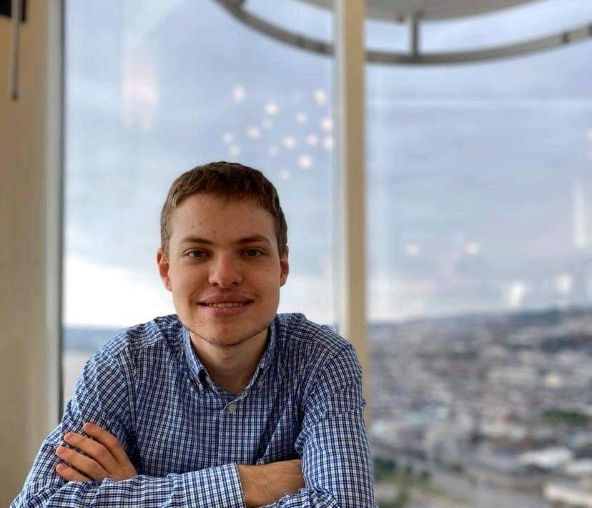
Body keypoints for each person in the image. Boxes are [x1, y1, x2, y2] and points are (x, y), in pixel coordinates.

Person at [12, 161, 376, 507]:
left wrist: (136, 495)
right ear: (167, 270)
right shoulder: (124, 364)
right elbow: (36, 503)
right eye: (198, 253)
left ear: (281, 267)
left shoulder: (322, 360)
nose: (223, 276)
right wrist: (250, 483)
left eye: (250, 251)